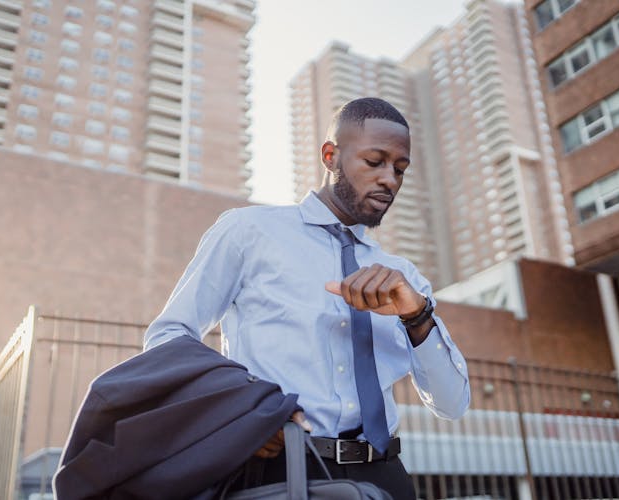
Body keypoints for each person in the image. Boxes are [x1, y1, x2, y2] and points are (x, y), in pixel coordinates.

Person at [144, 97, 470, 499]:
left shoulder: (404, 278)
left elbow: (453, 404)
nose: (389, 180)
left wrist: (416, 316)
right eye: (375, 162)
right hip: (277, 469)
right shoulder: (249, 232)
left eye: (400, 169)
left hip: (386, 478)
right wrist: (238, 411)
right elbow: (169, 336)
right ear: (330, 156)